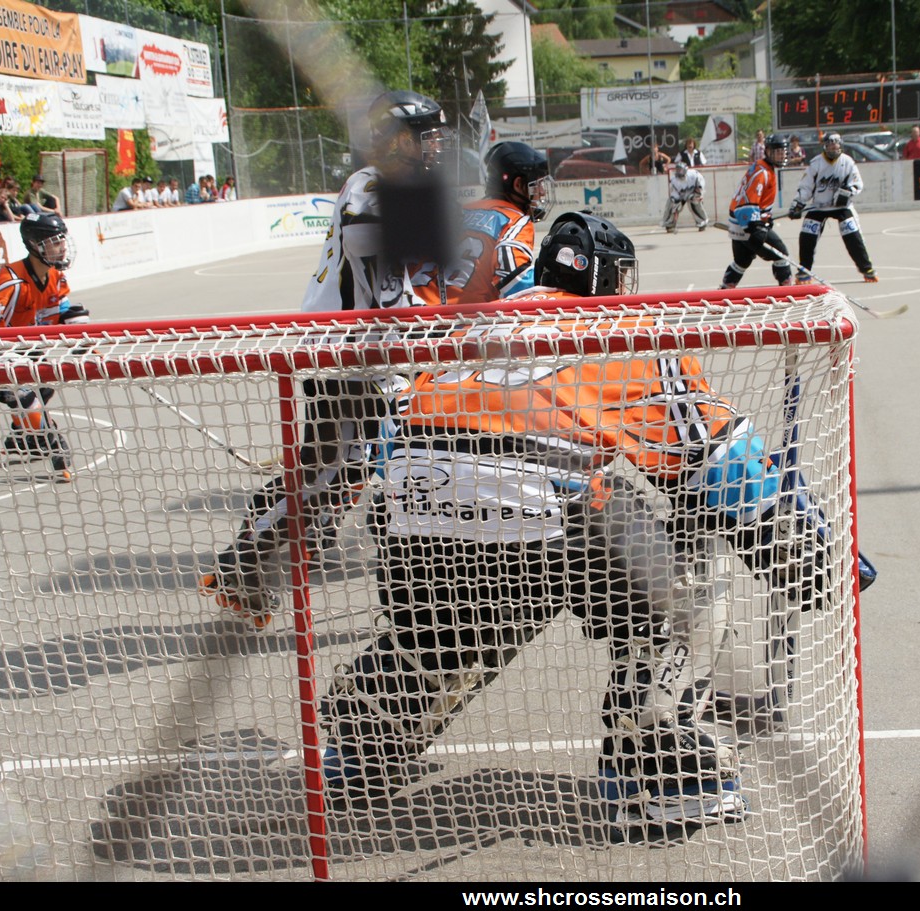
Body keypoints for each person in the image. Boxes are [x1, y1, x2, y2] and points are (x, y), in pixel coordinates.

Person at [319, 210, 871, 830]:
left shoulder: (471, 325)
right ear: (607, 277)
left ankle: (359, 749)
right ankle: (662, 769)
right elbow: (720, 464)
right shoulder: (621, 328)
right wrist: (805, 553)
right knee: (683, 590)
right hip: (537, 513)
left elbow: (392, 429)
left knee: (440, 632)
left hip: (410, 515)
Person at [200, 89, 449, 627]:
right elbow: (365, 244)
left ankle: (260, 556)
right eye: (426, 136)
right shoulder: (370, 185)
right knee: (328, 471)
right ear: (398, 141)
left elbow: (393, 290)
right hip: (341, 356)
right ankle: (242, 562)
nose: (435, 146)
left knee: (343, 468)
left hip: (365, 360)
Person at [0, 212, 89, 483]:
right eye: (55, 242)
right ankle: (53, 445)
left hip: (19, 341)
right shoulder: (11, 280)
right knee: (23, 395)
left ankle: (22, 437)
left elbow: (61, 312)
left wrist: (80, 334)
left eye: (62, 240)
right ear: (35, 245)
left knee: (44, 385)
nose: (62, 247)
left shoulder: (55, 277)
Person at [410, 140, 552, 306]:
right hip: (460, 316)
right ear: (518, 185)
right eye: (537, 185)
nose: (542, 192)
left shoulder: (460, 211)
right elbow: (514, 282)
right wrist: (552, 284)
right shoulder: (515, 221)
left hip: (411, 307)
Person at [786, 132, 879, 284]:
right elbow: (806, 186)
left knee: (852, 234)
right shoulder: (816, 163)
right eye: (830, 145)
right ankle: (804, 271)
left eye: (836, 145)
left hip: (841, 207)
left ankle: (866, 268)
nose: (833, 148)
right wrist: (798, 204)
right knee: (807, 236)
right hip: (819, 206)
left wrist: (847, 192)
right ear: (825, 146)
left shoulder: (848, 162)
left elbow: (857, 183)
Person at [719, 133, 794, 289]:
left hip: (739, 225)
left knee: (741, 262)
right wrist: (754, 226)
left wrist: (765, 217)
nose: (781, 155)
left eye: (783, 152)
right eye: (777, 152)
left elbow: (757, 202)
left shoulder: (762, 167)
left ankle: (724, 291)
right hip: (748, 225)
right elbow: (747, 202)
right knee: (781, 256)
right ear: (768, 151)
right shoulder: (763, 173)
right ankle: (786, 291)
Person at [662, 160, 708, 233]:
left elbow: (700, 185)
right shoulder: (674, 180)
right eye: (677, 170)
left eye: (680, 170)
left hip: (693, 192)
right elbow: (674, 193)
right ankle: (670, 224)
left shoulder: (694, 175)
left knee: (695, 202)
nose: (678, 172)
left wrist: (699, 193)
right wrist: (675, 200)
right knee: (672, 203)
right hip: (681, 194)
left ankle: (702, 222)